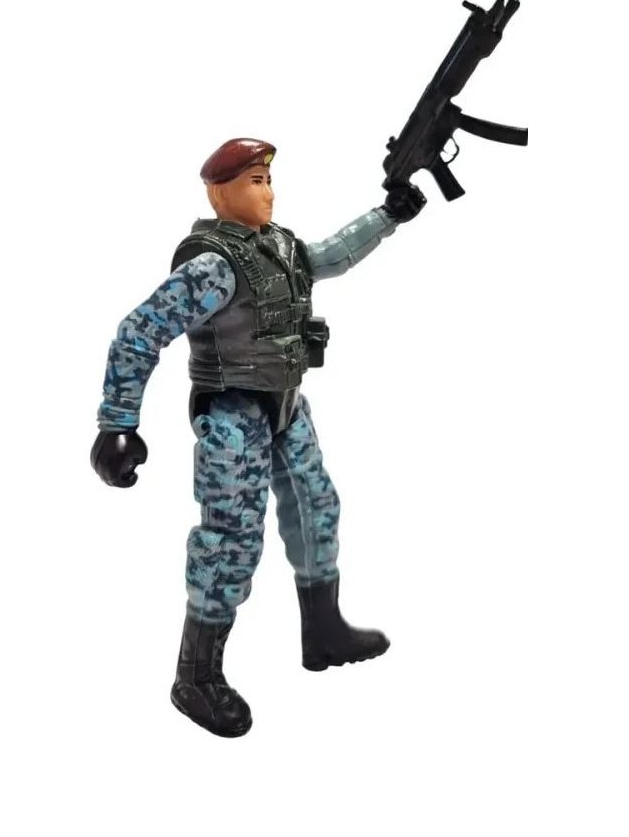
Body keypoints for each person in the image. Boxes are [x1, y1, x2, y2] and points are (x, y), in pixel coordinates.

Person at [91, 137, 425, 736]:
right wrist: (118, 424)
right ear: (220, 194)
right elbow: (139, 332)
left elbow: (330, 256)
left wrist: (387, 215)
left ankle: (323, 630)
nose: (268, 193)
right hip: (233, 415)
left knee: (317, 507)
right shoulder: (213, 266)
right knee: (231, 542)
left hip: (287, 404)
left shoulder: (280, 246)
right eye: (254, 182)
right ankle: (196, 676)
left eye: (269, 180)